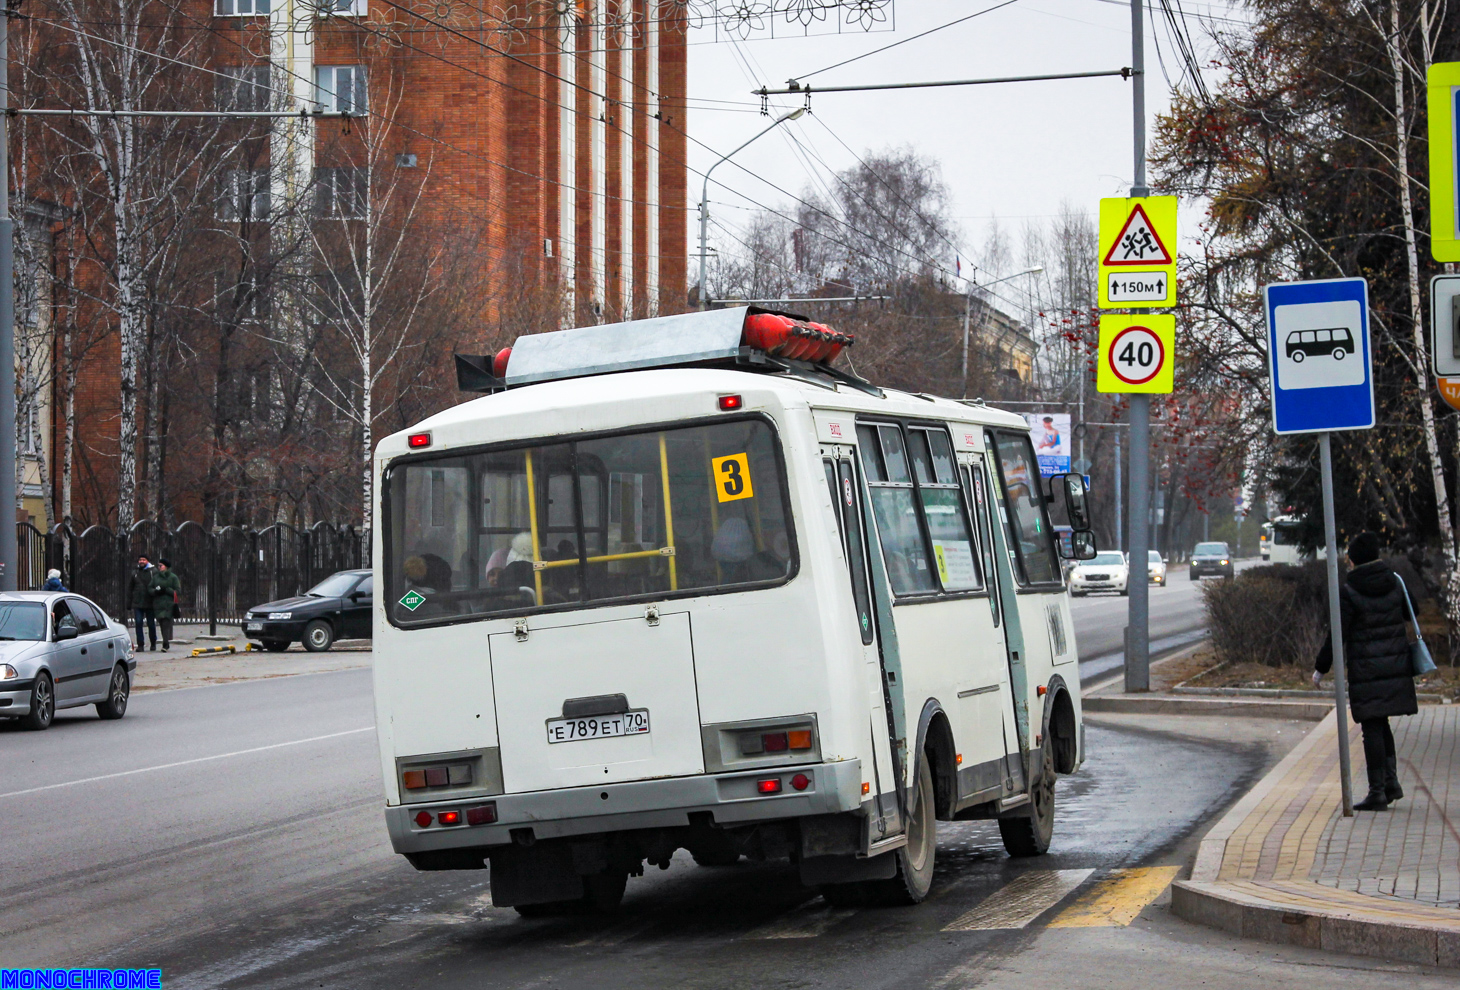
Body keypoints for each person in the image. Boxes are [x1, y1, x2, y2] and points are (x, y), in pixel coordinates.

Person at [1314, 531, 1418, 811]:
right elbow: (1413, 611)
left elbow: (1339, 634)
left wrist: (1320, 667)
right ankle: (1391, 783)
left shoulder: (1349, 591)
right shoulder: (1394, 581)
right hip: (1395, 664)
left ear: (1355, 560)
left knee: (1371, 725)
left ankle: (1377, 793)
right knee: (1381, 724)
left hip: (1366, 668)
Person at [129, 554, 159, 652]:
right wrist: (129, 602)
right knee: (138, 623)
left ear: (147, 561)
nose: (141, 561)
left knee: (151, 623)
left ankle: (153, 643)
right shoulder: (135, 572)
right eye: (140, 560)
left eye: (143, 560)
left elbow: (157, 585)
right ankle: (140, 644)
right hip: (138, 603)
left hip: (150, 602)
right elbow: (130, 588)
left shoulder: (153, 572)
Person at [151, 558, 181, 652]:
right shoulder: (156, 577)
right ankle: (166, 642)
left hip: (169, 605)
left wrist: (167, 590)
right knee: (161, 623)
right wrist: (156, 591)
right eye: (158, 566)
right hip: (158, 604)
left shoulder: (173, 577)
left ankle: (165, 644)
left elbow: (178, 591)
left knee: (166, 624)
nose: (159, 567)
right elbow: (150, 588)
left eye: (161, 565)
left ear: (166, 567)